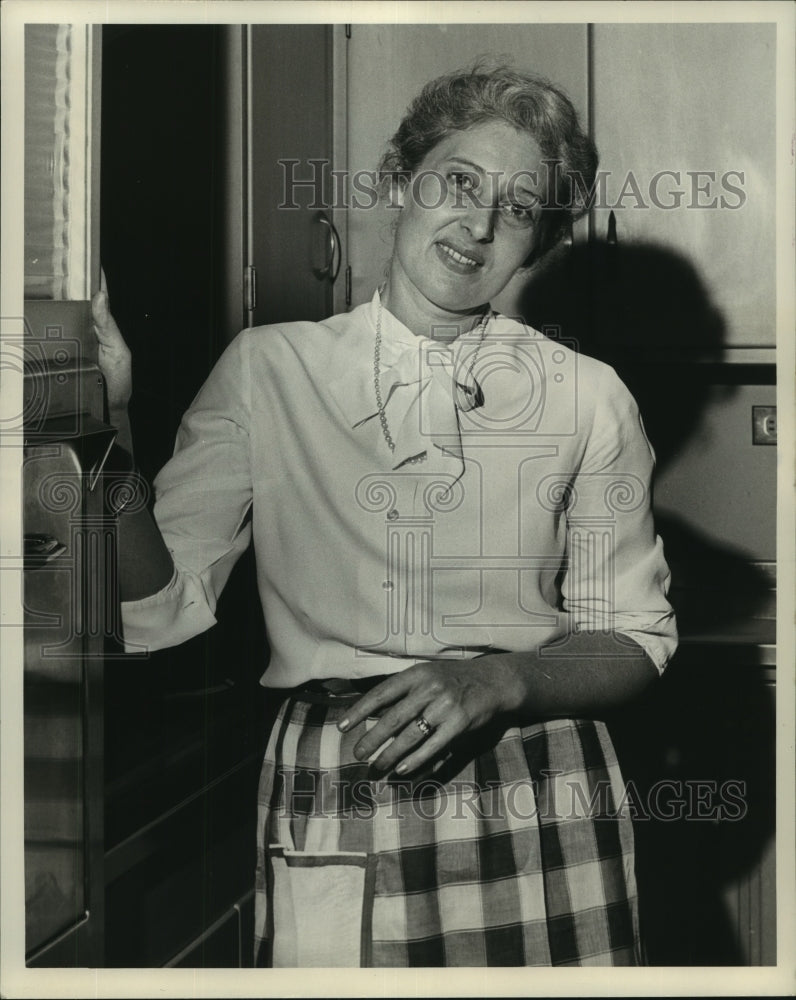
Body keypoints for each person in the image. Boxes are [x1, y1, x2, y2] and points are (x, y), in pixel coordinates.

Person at [93, 65, 677, 968]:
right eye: (458, 182)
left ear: (541, 243)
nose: (478, 226)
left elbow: (635, 639)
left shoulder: (589, 397)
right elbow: (158, 607)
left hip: (537, 780)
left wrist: (496, 683)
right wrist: (103, 437)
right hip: (343, 774)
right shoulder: (268, 369)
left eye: (518, 209)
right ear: (400, 180)